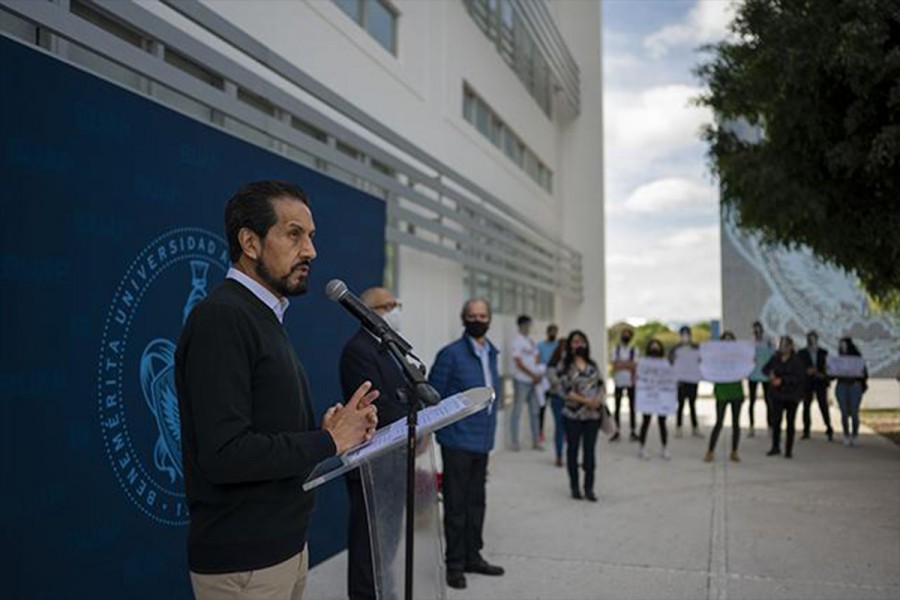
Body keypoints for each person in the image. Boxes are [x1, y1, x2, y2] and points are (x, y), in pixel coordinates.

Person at [175, 180, 379, 600]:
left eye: (311, 236)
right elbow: (225, 454)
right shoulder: (222, 318)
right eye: (294, 234)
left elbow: (265, 428)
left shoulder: (263, 315)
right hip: (245, 562)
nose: (310, 250)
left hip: (281, 550)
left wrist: (329, 434)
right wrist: (327, 440)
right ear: (250, 242)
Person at [430, 298, 504, 590]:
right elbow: (433, 396)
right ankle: (455, 565)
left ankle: (474, 556)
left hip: (482, 440)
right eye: (472, 316)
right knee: (456, 504)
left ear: (489, 319)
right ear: (464, 319)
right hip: (457, 441)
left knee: (477, 502)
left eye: (483, 315)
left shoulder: (492, 353)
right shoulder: (450, 354)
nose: (478, 319)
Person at [339, 287, 408, 600]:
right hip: (373, 462)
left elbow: (406, 394)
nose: (395, 310)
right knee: (369, 541)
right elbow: (376, 406)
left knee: (389, 538)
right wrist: (410, 414)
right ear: (367, 312)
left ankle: (386, 590)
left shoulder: (389, 348)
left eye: (396, 304)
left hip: (395, 459)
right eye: (387, 306)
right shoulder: (359, 350)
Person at [557, 330, 604, 501]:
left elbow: (600, 385)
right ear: (570, 345)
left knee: (590, 453)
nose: (579, 345)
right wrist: (586, 401)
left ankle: (589, 488)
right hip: (573, 416)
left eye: (582, 342)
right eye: (575, 342)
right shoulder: (564, 366)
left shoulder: (593, 364)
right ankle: (575, 487)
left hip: (592, 416)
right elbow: (564, 391)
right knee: (573, 451)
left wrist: (597, 399)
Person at [762, 336, 805, 459]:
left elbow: (799, 378)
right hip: (776, 395)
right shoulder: (775, 358)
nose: (783, 347)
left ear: (791, 346)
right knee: (776, 422)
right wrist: (770, 374)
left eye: (785, 345)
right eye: (781, 345)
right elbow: (764, 369)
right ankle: (775, 447)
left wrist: (782, 380)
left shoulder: (797, 360)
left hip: (791, 396)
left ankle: (788, 450)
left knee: (790, 423)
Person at [704, 332, 744, 463]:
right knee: (719, 422)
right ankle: (710, 451)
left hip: (736, 392)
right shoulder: (716, 357)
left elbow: (747, 368)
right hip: (722, 392)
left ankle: (734, 451)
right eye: (725, 340)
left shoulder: (739, 356)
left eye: (730, 340)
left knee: (736, 423)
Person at [510, 314, 542, 450]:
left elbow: (536, 357)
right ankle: (515, 443)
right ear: (521, 325)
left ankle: (536, 442)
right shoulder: (517, 341)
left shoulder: (530, 340)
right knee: (517, 411)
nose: (529, 327)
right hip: (521, 380)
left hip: (533, 381)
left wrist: (537, 374)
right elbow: (518, 363)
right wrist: (532, 374)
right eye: (527, 325)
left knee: (535, 412)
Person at [637, 338, 671, 460]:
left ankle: (664, 448)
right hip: (648, 396)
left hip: (661, 397)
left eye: (657, 347)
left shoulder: (665, 363)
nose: (655, 349)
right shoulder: (643, 362)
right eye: (653, 347)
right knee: (646, 422)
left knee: (662, 422)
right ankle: (642, 447)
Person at [798, 330, 834, 441]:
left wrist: (823, 375)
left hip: (820, 382)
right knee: (806, 406)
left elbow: (828, 367)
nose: (811, 341)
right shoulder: (802, 353)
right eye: (810, 339)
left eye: (813, 338)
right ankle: (806, 430)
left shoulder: (823, 352)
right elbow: (799, 367)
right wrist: (806, 371)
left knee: (823, 405)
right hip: (807, 382)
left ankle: (828, 428)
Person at [538, 325, 566, 466]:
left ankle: (569, 454)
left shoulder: (572, 365)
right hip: (557, 398)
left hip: (571, 400)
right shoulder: (552, 366)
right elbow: (556, 383)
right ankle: (559, 455)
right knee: (560, 427)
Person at [834, 337, 869, 447]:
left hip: (854, 385)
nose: (843, 348)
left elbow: (864, 374)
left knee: (854, 412)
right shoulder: (839, 359)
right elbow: (833, 374)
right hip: (842, 385)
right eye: (841, 346)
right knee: (844, 412)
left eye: (844, 345)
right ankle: (846, 434)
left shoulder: (857, 359)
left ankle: (854, 435)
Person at [670, 325, 701, 438]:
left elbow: (701, 361)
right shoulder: (676, 349)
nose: (685, 336)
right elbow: (671, 363)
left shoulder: (696, 348)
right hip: (681, 380)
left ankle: (695, 428)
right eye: (683, 334)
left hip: (693, 380)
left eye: (687, 334)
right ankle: (679, 428)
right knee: (681, 405)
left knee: (692, 405)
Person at [610, 328, 639, 442]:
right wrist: (628, 364)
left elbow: (635, 365)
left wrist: (621, 363)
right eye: (624, 335)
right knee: (617, 407)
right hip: (619, 381)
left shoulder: (634, 350)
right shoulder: (615, 349)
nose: (625, 337)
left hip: (631, 381)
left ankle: (633, 431)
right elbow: (614, 365)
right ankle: (616, 430)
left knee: (632, 407)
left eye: (627, 335)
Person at [747, 321, 775, 437]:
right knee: (752, 401)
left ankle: (770, 426)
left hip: (765, 375)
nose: (757, 331)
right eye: (755, 329)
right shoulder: (750, 342)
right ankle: (752, 426)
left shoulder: (768, 342)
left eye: (758, 329)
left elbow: (773, 356)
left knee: (768, 401)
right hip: (753, 375)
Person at [537, 324, 560, 447]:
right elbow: (537, 360)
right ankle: (540, 432)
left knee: (557, 407)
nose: (553, 334)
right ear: (547, 332)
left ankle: (561, 432)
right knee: (542, 408)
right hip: (543, 379)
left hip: (555, 380)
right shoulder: (540, 345)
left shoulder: (558, 346)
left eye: (555, 332)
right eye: (551, 332)